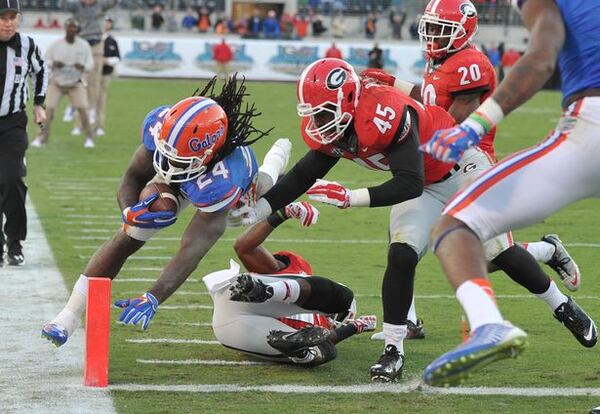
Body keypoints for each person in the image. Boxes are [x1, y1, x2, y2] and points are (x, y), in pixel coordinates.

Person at [235, 57, 596, 383]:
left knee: (497, 253)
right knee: (402, 254)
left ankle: (561, 305)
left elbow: (409, 183)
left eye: (324, 112)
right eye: (313, 113)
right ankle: (393, 350)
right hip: (423, 183)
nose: (317, 122)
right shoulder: (338, 124)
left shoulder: (385, 113)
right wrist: (256, 210)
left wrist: (351, 198)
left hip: (460, 169)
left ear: (348, 101)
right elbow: (301, 177)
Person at [363, 0, 583, 341]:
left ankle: (559, 295)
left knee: (497, 256)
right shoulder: (442, 59)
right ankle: (406, 322)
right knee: (403, 244)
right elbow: (431, 99)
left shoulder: (470, 64)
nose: (433, 36)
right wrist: (393, 84)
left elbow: (451, 121)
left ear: (462, 33)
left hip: (468, 161)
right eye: (431, 28)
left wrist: (399, 135)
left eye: (441, 29)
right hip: (435, 160)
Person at [422, 0, 600, 386]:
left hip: (591, 127)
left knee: (455, 226)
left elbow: (539, 60)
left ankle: (489, 324)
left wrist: (471, 128)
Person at [41, 76, 288, 346]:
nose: (168, 162)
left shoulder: (224, 179)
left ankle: (277, 158)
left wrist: (154, 296)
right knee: (129, 233)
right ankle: (70, 314)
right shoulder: (163, 130)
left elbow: (191, 251)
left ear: (207, 154)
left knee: (252, 202)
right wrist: (128, 212)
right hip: (191, 174)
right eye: (166, 154)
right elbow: (132, 177)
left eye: (176, 159)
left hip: (228, 188)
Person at [203, 201, 376, 366]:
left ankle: (298, 351)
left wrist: (354, 328)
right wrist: (283, 213)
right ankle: (270, 290)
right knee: (345, 298)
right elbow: (243, 247)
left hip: (236, 330)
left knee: (323, 350)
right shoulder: (302, 276)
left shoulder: (316, 330)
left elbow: (328, 339)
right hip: (241, 295)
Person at [0, 0, 47, 266]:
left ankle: (14, 242)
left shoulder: (27, 44)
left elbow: (41, 71)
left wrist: (39, 102)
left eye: (12, 17)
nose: (8, 22)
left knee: (12, 179)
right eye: (2, 17)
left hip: (13, 123)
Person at [31, 18, 95, 148]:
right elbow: (44, 60)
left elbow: (90, 64)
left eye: (74, 27)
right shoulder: (56, 45)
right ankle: (41, 138)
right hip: (57, 83)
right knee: (48, 109)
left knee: (83, 108)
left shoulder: (83, 45)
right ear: (65, 29)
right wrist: (54, 63)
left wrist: (82, 67)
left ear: (77, 30)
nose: (71, 30)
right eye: (69, 27)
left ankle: (89, 137)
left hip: (76, 83)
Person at [66, 0, 117, 129]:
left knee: (94, 82)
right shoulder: (76, 6)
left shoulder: (101, 5)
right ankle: (72, 108)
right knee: (78, 80)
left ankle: (92, 110)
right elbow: (64, 4)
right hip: (81, 45)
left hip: (96, 46)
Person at [95, 16, 120, 137]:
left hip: (105, 74)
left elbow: (117, 58)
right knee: (87, 101)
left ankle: (99, 126)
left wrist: (106, 61)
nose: (106, 24)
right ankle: (79, 126)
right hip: (92, 74)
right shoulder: (94, 39)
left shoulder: (112, 41)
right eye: (104, 22)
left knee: (101, 100)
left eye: (108, 22)